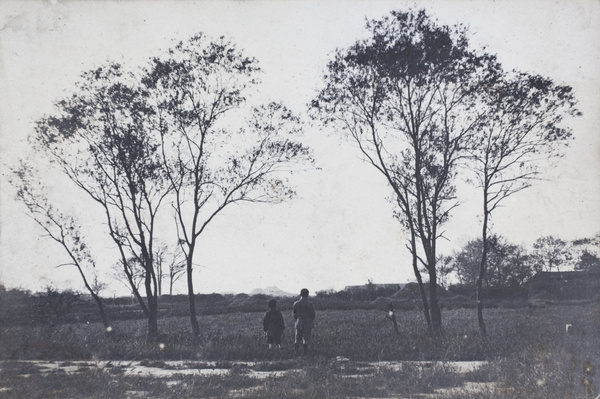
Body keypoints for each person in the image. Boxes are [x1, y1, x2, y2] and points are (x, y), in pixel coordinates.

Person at [293, 288, 315, 355]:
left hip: (299, 321)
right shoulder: (310, 304)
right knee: (306, 338)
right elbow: (313, 314)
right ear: (307, 295)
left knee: (297, 338)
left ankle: (296, 352)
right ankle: (305, 353)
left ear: (300, 294)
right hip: (307, 322)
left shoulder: (296, 303)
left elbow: (294, 314)